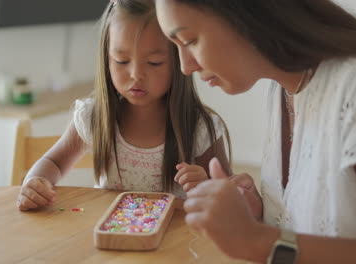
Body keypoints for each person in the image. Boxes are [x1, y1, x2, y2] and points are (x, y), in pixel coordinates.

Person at [155, 0, 356, 263]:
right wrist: (259, 216)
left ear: (245, 12)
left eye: (189, 41)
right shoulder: (283, 90)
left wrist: (257, 240)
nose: (185, 67)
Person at [16, 0, 231, 211]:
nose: (136, 75)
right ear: (106, 59)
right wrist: (36, 181)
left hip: (172, 241)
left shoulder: (200, 128)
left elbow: (231, 197)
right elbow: (54, 162)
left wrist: (207, 185)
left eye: (154, 62)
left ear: (179, 61)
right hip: (109, 239)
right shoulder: (94, 116)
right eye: (121, 60)